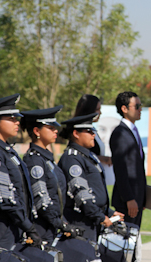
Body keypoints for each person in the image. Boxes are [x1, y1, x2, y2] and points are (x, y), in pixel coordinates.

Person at [0, 94, 52, 261]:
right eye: (11, 118)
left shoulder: (6, 150)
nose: (17, 122)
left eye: (16, 118)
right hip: (2, 229)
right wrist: (28, 226)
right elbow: (5, 200)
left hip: (15, 227)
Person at [21, 106, 99, 262]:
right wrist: (61, 224)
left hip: (52, 226)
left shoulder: (46, 159)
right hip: (42, 228)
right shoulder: (34, 161)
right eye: (50, 128)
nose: (55, 131)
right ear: (37, 131)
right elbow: (42, 201)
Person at [57, 113, 124, 243]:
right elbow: (81, 195)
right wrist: (100, 217)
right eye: (89, 131)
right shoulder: (72, 158)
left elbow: (94, 191)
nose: (94, 134)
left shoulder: (87, 155)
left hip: (91, 220)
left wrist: (108, 212)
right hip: (80, 222)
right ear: (76, 133)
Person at [110, 92, 146, 261]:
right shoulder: (120, 133)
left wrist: (144, 197)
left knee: (131, 247)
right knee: (123, 250)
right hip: (127, 203)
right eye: (137, 106)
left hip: (136, 200)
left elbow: (137, 168)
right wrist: (129, 198)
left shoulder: (132, 131)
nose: (140, 109)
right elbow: (121, 169)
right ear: (124, 109)